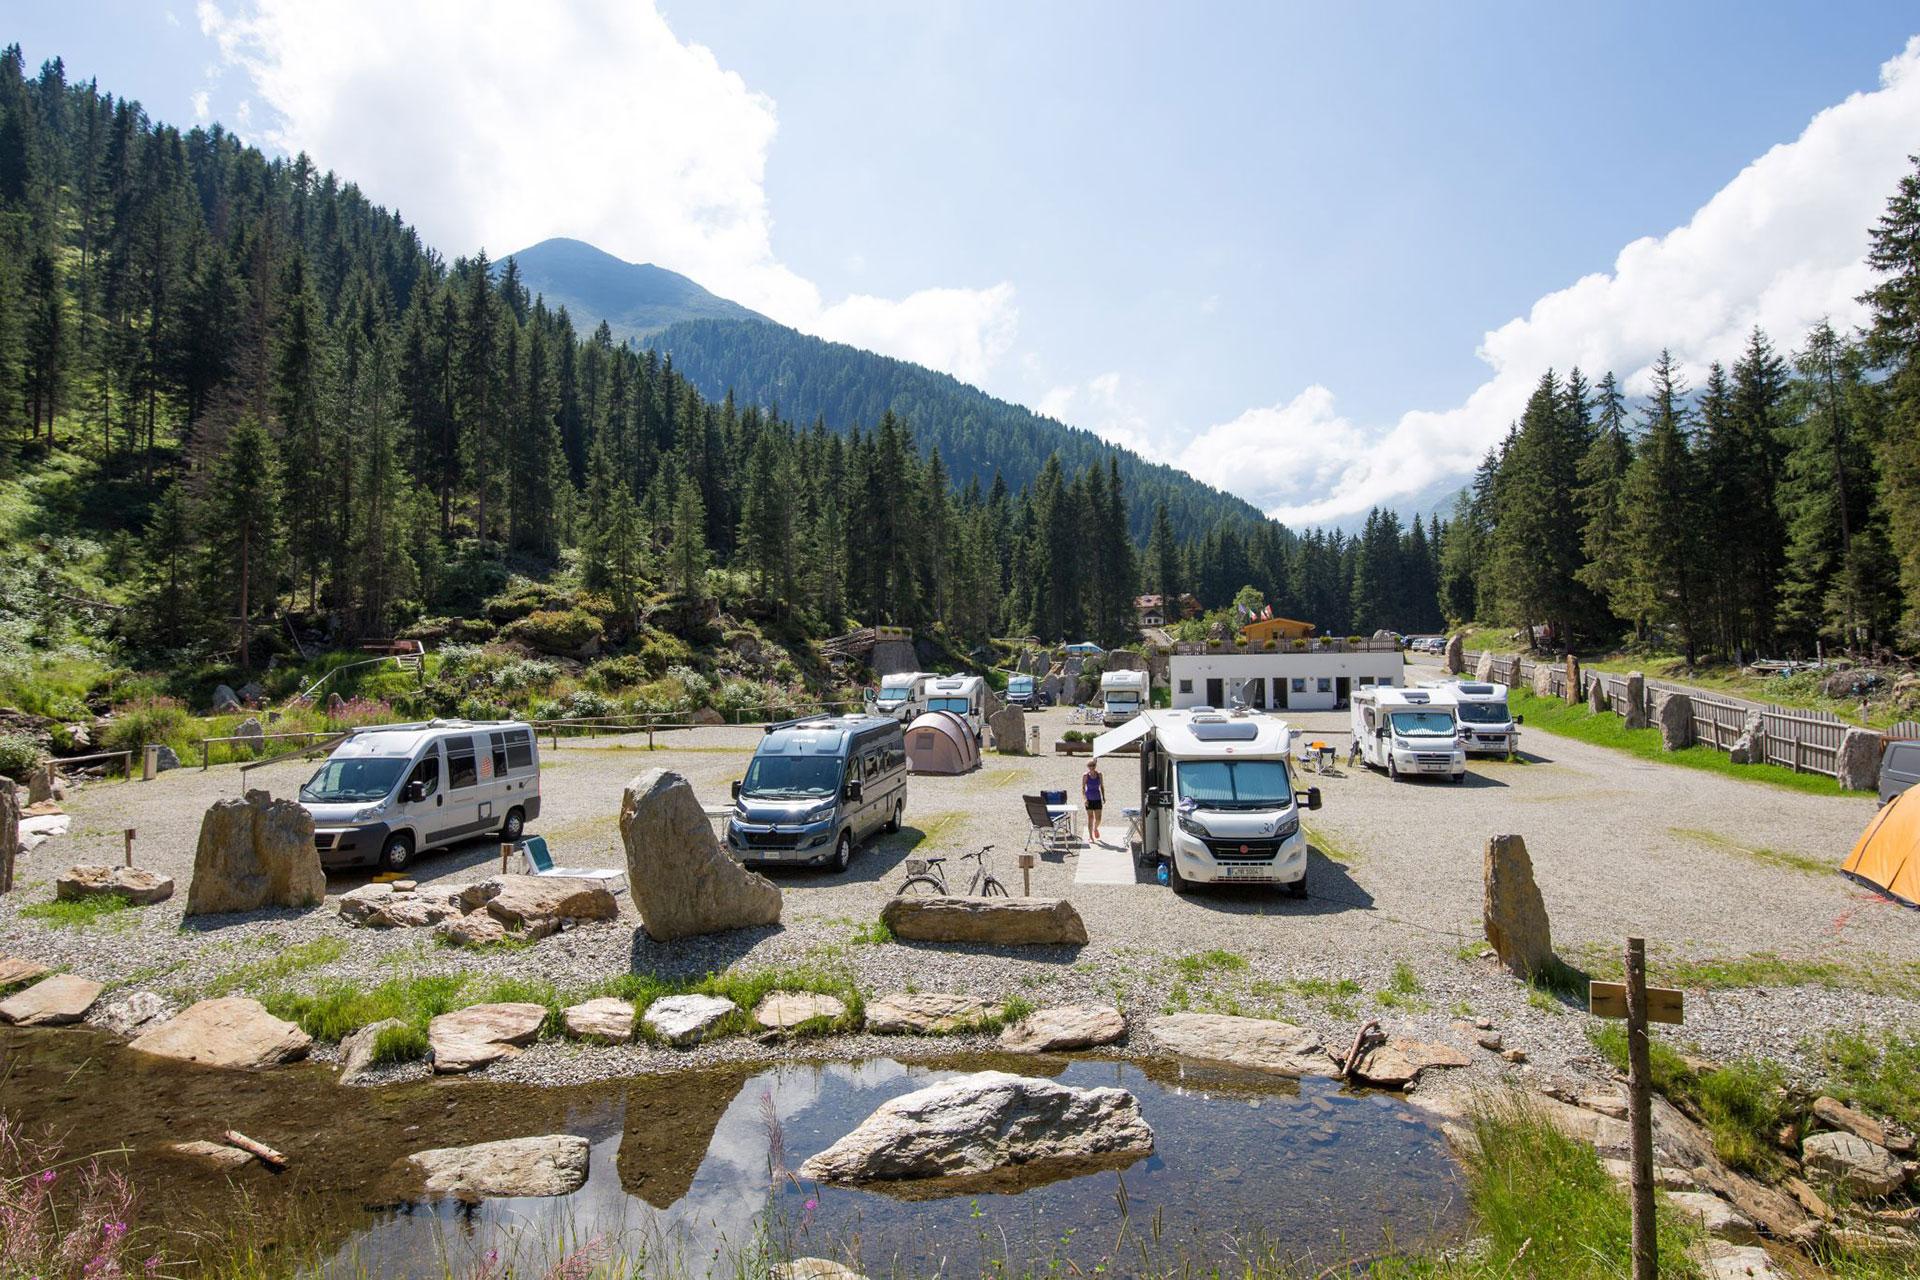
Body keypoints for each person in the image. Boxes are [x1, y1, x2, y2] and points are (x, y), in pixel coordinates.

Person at [1082, 759, 1105, 844]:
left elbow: (1102, 786)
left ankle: (1095, 828)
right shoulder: (1085, 775)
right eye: (1090, 766)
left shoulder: (1099, 775)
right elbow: (1083, 788)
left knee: (1098, 818)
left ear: (1095, 766)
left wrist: (1103, 796)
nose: (1091, 767)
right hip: (1089, 799)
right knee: (1090, 818)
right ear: (1088, 767)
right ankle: (1090, 837)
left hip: (1097, 798)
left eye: (1093, 765)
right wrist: (1085, 799)